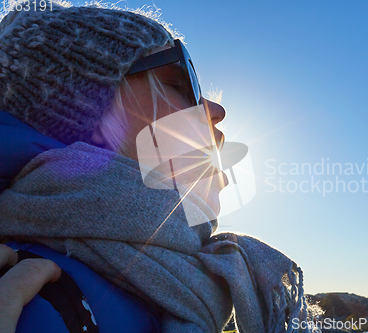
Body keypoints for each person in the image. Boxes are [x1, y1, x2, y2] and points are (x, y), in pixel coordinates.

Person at [0, 1, 313, 332]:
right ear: (88, 120)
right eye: (180, 80)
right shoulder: (26, 295)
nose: (216, 109)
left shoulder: (173, 286)